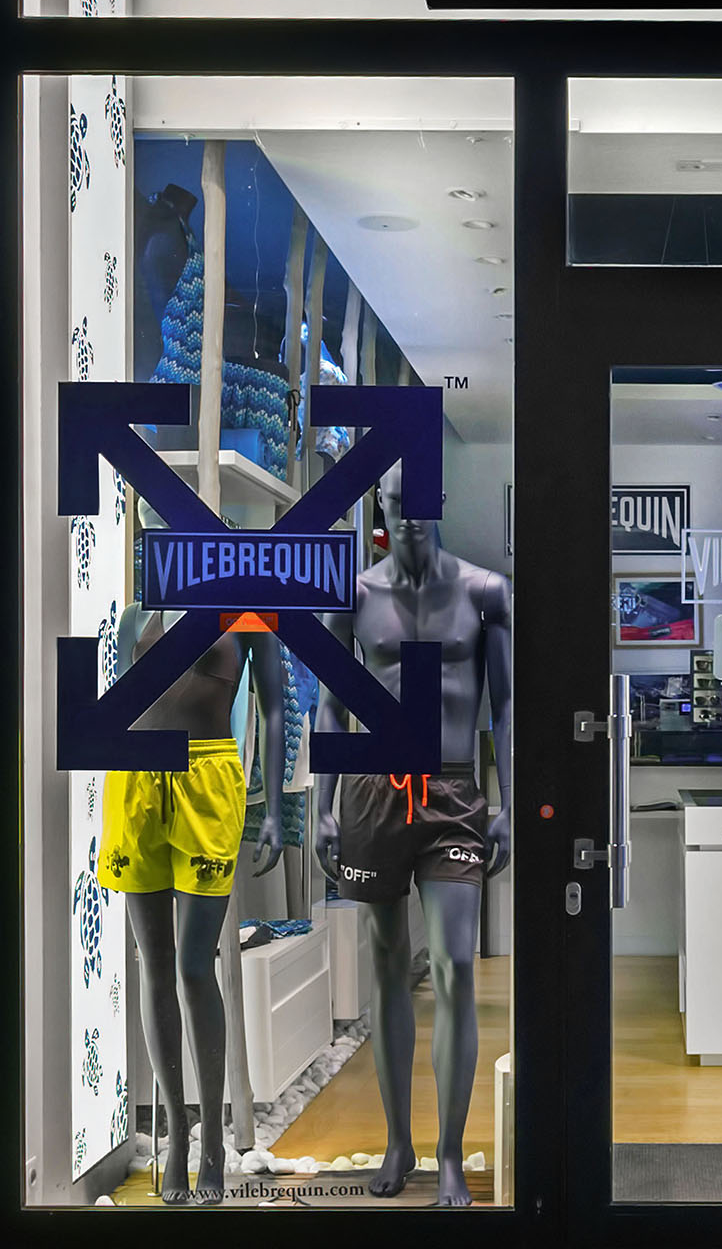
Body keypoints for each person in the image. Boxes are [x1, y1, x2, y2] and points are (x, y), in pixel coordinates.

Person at [315, 464, 512, 1207]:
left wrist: (509, 802)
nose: (410, 517)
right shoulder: (357, 595)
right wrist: (324, 804)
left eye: (421, 504)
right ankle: (399, 1142)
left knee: (456, 964)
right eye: (398, 505)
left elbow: (507, 707)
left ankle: (451, 1154)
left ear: (441, 504)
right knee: (389, 961)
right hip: (374, 790)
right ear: (382, 505)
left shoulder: (485, 592)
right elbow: (332, 705)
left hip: (454, 791)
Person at [98, 530, 285, 1205]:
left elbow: (274, 708)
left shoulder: (248, 616)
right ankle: (176, 1133)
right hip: (136, 780)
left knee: (193, 964)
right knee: (153, 963)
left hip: (207, 780)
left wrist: (273, 808)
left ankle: (212, 1141)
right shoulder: (134, 617)